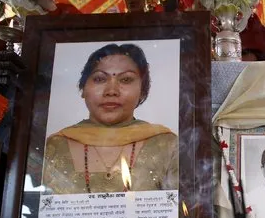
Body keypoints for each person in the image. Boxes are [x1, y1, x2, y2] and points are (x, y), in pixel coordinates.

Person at [43, 43, 178, 194]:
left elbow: (184, 213)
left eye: (126, 80)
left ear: (142, 91)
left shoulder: (167, 145)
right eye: (100, 79)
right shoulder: (54, 147)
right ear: (83, 88)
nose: (111, 91)